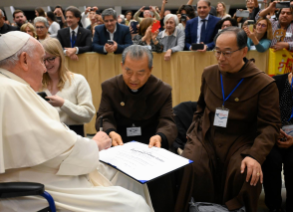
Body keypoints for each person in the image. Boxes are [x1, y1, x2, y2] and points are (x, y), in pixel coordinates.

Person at [0, 31, 153, 212]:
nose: (44, 68)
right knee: (134, 206)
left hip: (33, 174)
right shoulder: (10, 90)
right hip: (29, 187)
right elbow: (59, 151)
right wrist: (95, 145)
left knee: (130, 177)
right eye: (42, 60)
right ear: (24, 60)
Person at [175, 27, 281, 212]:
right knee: (190, 164)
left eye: (227, 53)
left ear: (244, 51)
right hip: (207, 137)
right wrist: (193, 135)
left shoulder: (263, 84)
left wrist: (255, 155)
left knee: (246, 171)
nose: (220, 58)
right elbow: (200, 109)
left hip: (240, 142)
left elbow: (270, 126)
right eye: (217, 52)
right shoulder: (209, 74)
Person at [95, 45, 177, 212]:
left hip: (151, 144)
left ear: (150, 70)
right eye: (128, 71)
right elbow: (104, 116)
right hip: (119, 142)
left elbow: (168, 121)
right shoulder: (110, 87)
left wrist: (160, 136)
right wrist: (110, 132)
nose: (133, 78)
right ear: (121, 66)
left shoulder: (162, 90)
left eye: (141, 72)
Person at [40, 38, 95, 136]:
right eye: (43, 60)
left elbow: (88, 114)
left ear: (61, 56)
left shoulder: (78, 80)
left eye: (51, 58)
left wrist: (63, 104)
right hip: (46, 137)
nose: (47, 64)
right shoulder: (38, 84)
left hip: (73, 135)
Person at [262, 71, 293, 212]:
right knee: (271, 159)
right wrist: (272, 131)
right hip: (272, 134)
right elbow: (262, 113)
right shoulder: (274, 82)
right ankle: (273, 206)